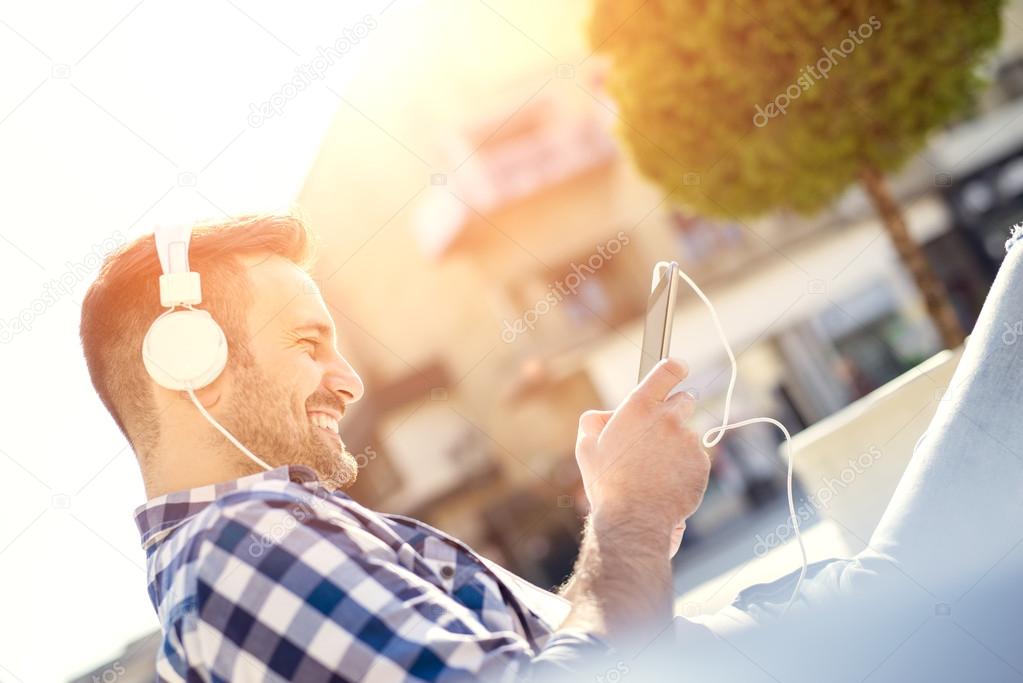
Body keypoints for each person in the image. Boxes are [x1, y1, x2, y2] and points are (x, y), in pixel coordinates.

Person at [79, 215, 709, 681]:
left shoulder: (237, 553)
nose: (349, 382)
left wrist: (621, 522)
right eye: (307, 343)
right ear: (193, 366)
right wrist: (632, 518)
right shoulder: (241, 549)